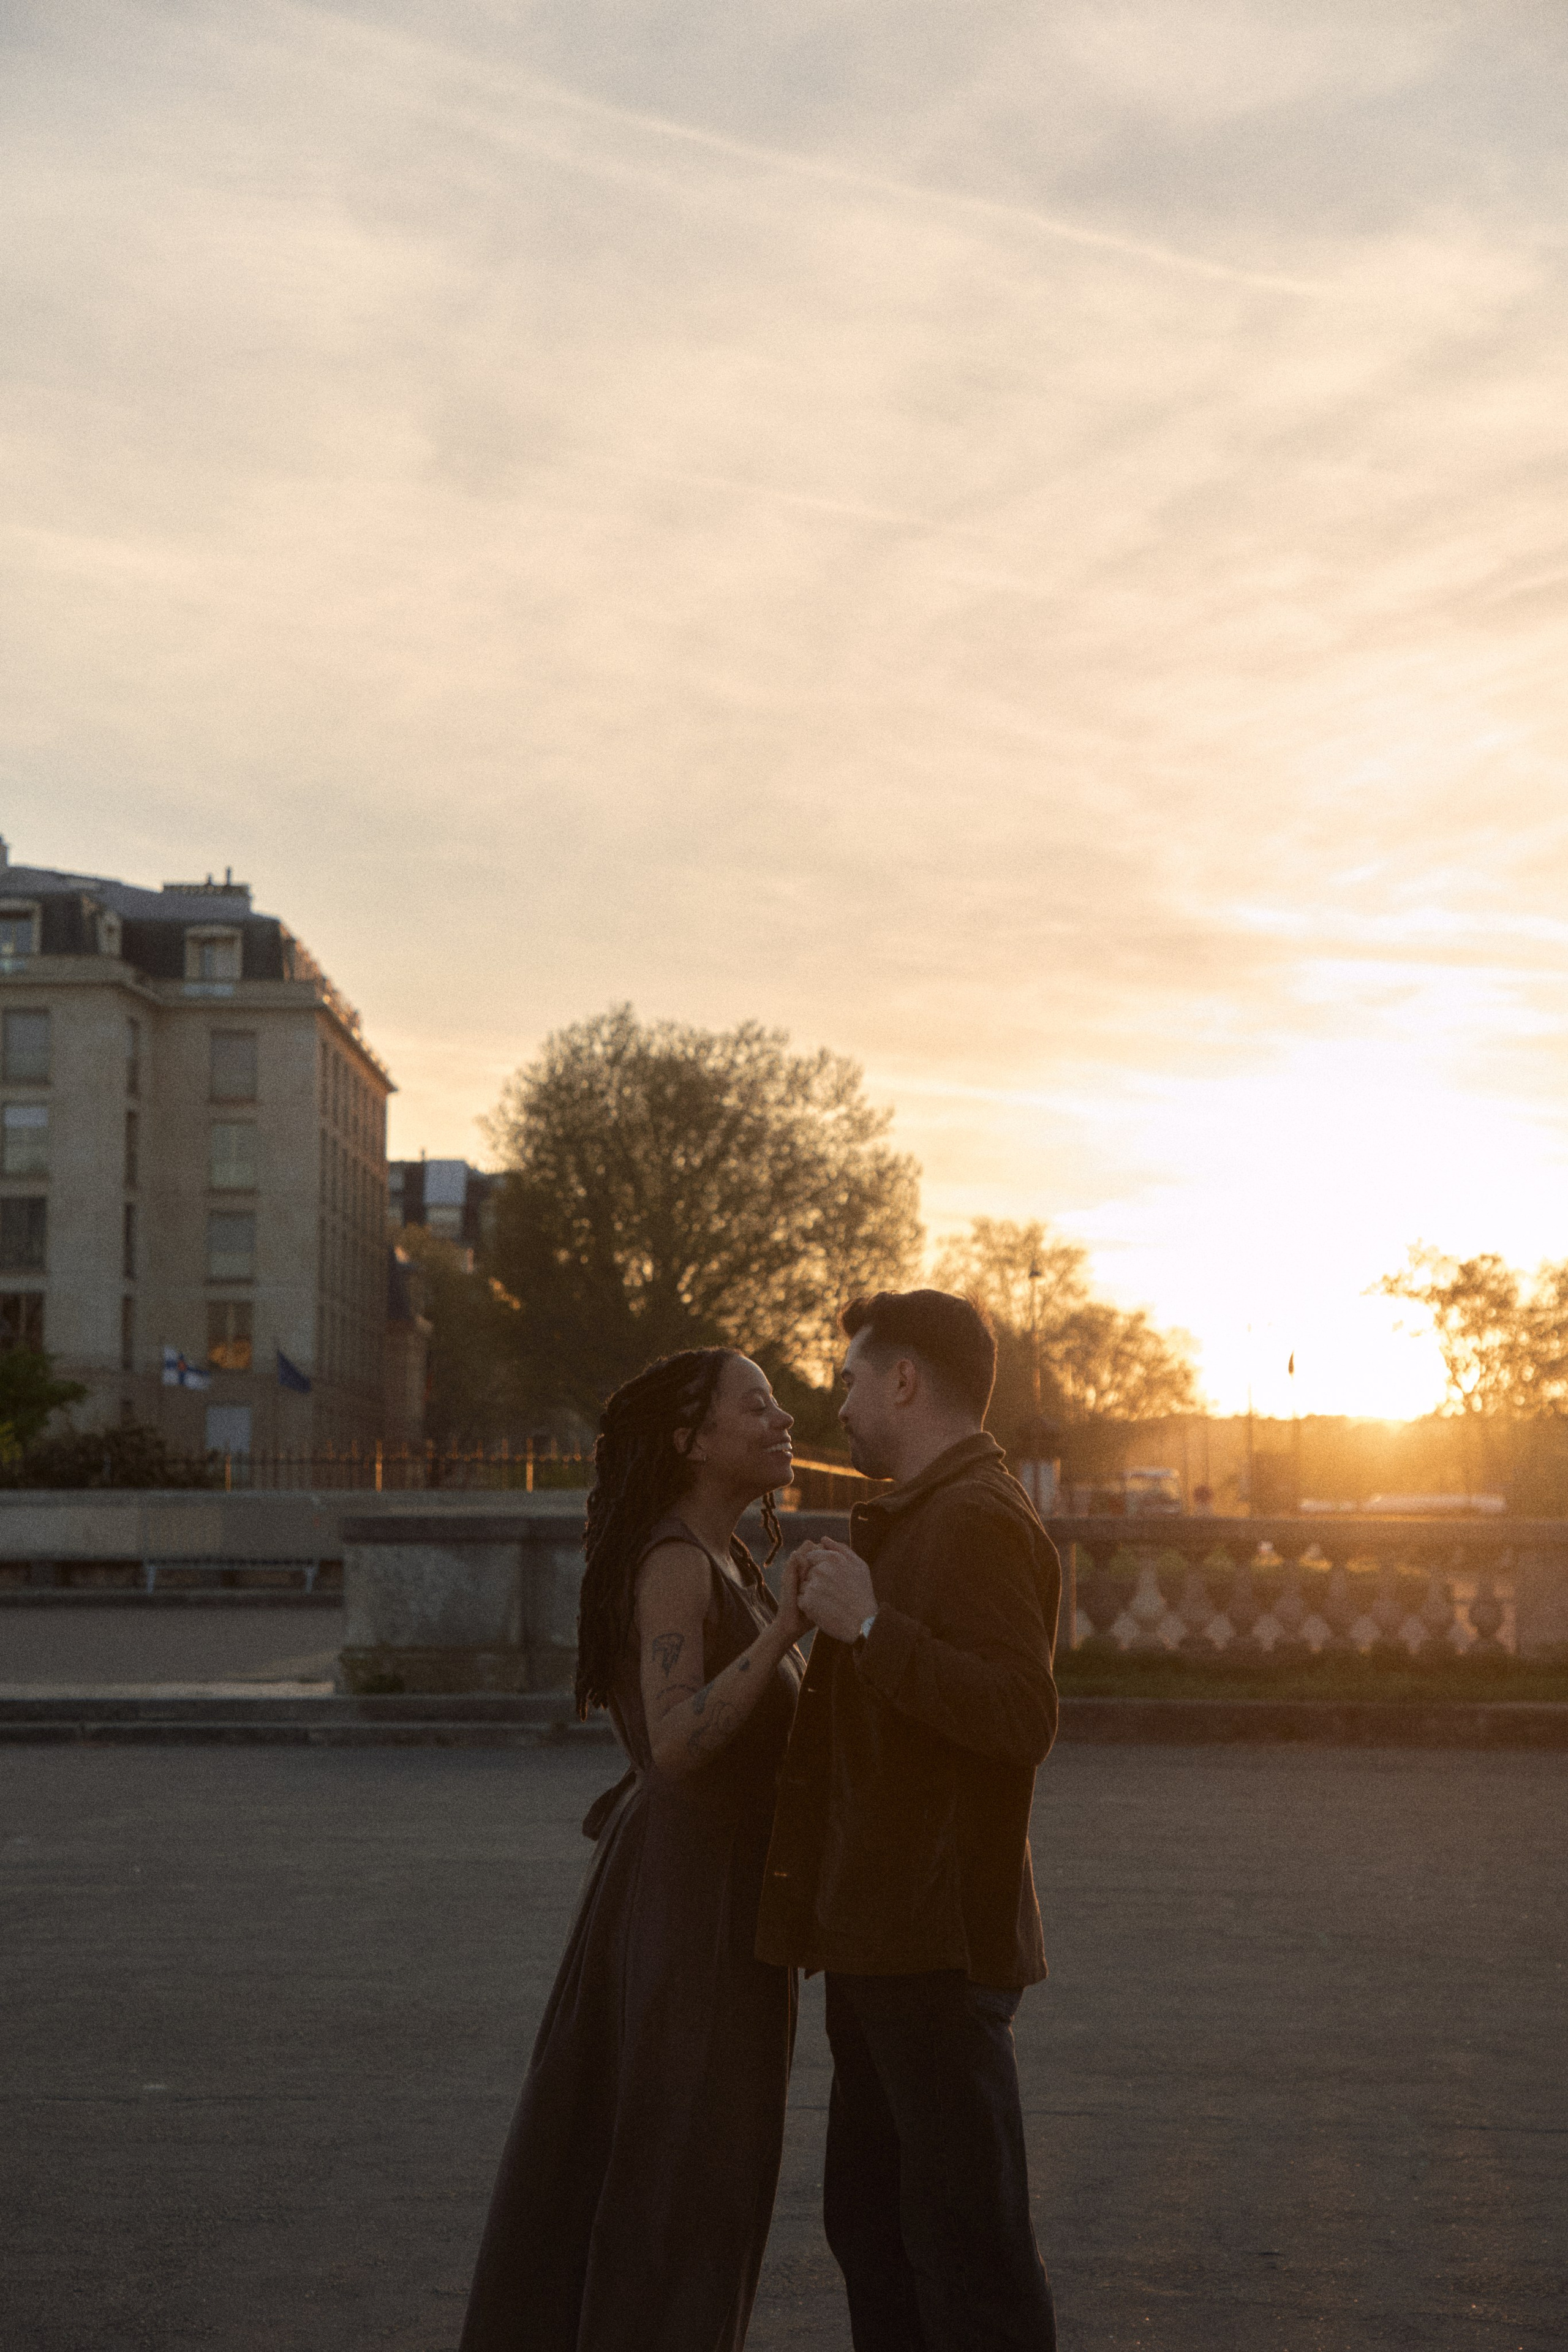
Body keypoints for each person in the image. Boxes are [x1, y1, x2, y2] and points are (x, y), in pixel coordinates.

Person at [459, 1347, 807, 2352]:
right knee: (675, 2166)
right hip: (685, 1902)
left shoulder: (722, 1556)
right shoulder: (672, 1562)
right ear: (691, 1441)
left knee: (705, 2168)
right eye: (759, 1406)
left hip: (722, 1897)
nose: (785, 1420)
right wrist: (782, 1632)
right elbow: (679, 1743)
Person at [758, 1289, 1062, 2352]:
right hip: (889, 1938)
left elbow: (1022, 1716)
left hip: (936, 1946)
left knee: (965, 2255)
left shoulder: (976, 1519)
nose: (836, 1401)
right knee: (879, 2230)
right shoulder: (930, 1514)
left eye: (848, 1377)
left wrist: (873, 1625)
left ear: (904, 1379)